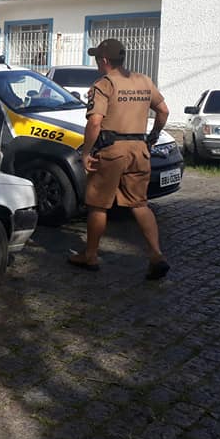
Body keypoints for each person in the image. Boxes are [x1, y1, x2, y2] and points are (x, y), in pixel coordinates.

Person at [69, 39, 171, 281]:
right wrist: (152, 137)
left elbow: (95, 122)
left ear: (104, 60)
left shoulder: (104, 85)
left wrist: (85, 153)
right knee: (139, 204)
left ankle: (90, 255)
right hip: (139, 149)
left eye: (96, 58)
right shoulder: (143, 80)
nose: (96, 62)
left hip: (112, 151)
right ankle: (156, 255)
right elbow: (164, 110)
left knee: (98, 204)